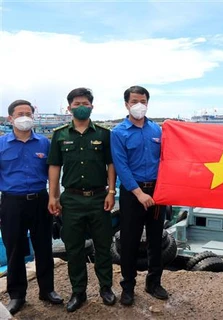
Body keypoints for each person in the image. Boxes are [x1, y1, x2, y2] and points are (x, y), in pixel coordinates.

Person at [47, 88, 116, 312]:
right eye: (76, 104)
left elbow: (111, 165)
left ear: (92, 106)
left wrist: (111, 191)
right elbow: (55, 167)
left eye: (85, 103)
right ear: (69, 108)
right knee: (74, 248)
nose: (80, 106)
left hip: (99, 198)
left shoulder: (104, 134)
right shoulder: (60, 134)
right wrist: (53, 196)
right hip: (72, 200)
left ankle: (106, 288)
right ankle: (79, 292)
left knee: (103, 246)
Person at [0, 100, 63, 315]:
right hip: (11, 202)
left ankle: (47, 290)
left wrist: (55, 197)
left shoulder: (44, 144)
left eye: (28, 113)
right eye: (20, 113)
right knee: (14, 249)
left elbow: (53, 174)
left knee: (44, 246)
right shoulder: (1, 144)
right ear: (10, 118)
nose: (25, 117)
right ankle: (17, 295)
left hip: (40, 200)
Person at [110, 85, 167, 306]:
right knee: (130, 241)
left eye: (142, 101)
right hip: (132, 193)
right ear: (126, 104)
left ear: (148, 103)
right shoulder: (118, 133)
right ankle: (128, 286)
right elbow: (121, 166)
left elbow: (166, 160)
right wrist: (139, 193)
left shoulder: (157, 130)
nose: (138, 105)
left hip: (157, 192)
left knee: (155, 238)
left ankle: (154, 283)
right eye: (134, 101)